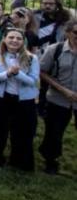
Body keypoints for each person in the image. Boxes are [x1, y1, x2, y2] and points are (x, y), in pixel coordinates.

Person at [0, 28, 40, 171]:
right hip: (1, 97)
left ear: (23, 41)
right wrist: (7, 74)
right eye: (11, 37)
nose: (14, 40)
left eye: (18, 38)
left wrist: (18, 74)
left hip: (24, 100)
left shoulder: (32, 58)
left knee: (23, 131)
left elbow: (32, 81)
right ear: (5, 39)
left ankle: (20, 162)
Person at [38, 18, 77, 175]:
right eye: (76, 32)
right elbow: (42, 72)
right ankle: (50, 161)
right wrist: (63, 90)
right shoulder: (55, 49)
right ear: (67, 33)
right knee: (54, 133)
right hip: (58, 99)